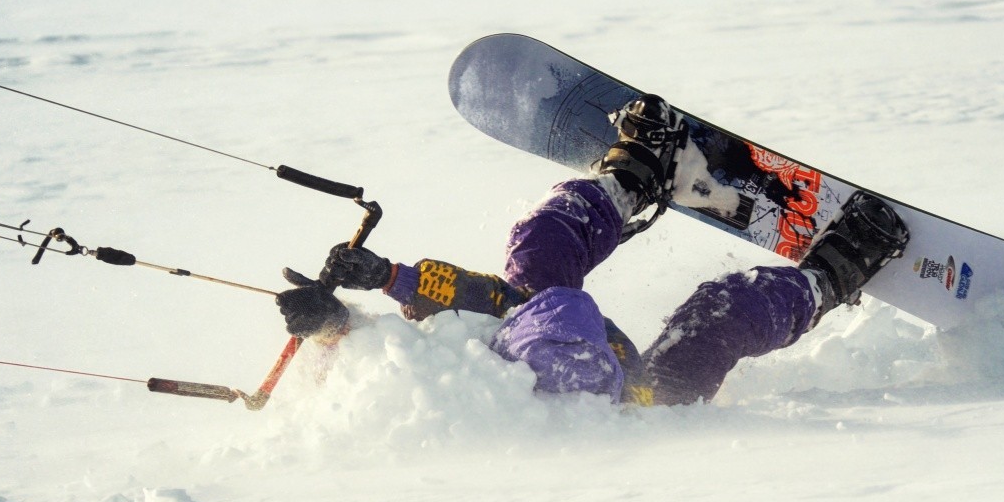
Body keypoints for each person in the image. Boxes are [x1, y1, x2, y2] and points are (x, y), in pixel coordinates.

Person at [276, 96, 911, 406]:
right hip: (651, 403)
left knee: (538, 246)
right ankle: (832, 276)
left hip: (549, 331)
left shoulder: (497, 349)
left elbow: (460, 310)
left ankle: (633, 178)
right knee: (721, 315)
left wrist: (377, 285)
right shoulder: (581, 403)